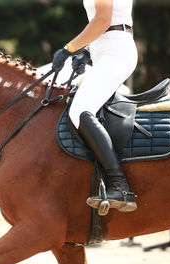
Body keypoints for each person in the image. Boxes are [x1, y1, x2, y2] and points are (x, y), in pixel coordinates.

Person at [52, 0, 137, 212]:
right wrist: (87, 52)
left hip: (116, 51)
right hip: (105, 50)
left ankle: (120, 185)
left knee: (80, 111)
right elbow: (104, 23)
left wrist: (68, 48)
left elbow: (103, 20)